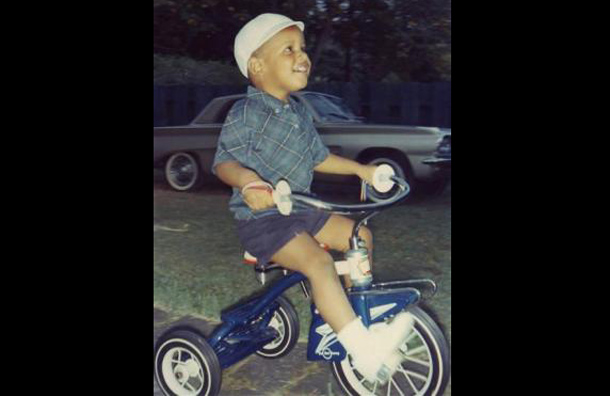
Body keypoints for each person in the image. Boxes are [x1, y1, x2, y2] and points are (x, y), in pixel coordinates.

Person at [212, 13, 413, 383]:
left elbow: (319, 157)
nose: (302, 56)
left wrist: (362, 171)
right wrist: (249, 183)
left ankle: (356, 320)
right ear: (257, 66)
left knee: (360, 238)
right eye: (288, 49)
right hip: (262, 221)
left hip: (301, 209)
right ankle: (364, 351)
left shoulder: (299, 112)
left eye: (302, 49)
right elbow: (224, 162)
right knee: (319, 264)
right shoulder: (246, 112)